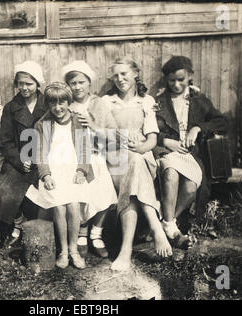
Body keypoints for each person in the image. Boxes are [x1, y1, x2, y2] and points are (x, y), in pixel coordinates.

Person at [98, 56, 173, 271]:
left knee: (137, 163)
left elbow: (151, 138)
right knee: (134, 169)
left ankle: (125, 251)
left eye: (124, 74)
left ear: (135, 73)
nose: (120, 79)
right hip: (115, 158)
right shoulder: (106, 102)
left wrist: (139, 149)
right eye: (116, 75)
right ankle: (157, 229)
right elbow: (100, 136)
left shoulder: (146, 101)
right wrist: (122, 141)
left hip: (141, 155)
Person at [153, 56, 228, 248]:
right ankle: (171, 228)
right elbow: (148, 130)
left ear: (190, 77)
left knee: (190, 188)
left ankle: (165, 223)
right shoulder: (159, 102)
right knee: (170, 174)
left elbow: (221, 121)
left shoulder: (198, 100)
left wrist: (198, 129)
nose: (176, 85)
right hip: (167, 151)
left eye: (181, 80)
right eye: (172, 81)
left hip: (192, 155)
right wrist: (165, 140)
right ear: (166, 80)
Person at [27, 82, 94, 269]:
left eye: (62, 102)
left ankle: (73, 249)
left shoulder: (78, 120)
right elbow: (39, 153)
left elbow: (84, 148)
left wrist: (81, 170)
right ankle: (63, 250)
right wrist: (45, 175)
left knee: (73, 205)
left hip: (73, 171)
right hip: (53, 172)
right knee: (59, 206)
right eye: (53, 103)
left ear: (68, 102)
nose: (58, 107)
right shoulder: (42, 124)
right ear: (47, 104)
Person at [62, 61, 118, 258]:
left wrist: (94, 126)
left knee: (104, 188)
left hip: (96, 154)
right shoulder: (65, 105)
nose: (77, 87)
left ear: (89, 83)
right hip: (71, 157)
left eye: (81, 82)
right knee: (79, 188)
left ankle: (96, 232)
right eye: (72, 83)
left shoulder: (98, 103)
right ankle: (82, 231)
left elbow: (113, 135)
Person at [0, 61, 48, 246]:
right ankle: (18, 223)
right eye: (20, 83)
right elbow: (6, 141)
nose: (24, 88)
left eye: (29, 83)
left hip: (44, 159)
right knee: (3, 192)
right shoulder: (11, 107)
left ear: (38, 83)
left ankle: (43, 230)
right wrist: (19, 160)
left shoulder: (48, 104)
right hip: (18, 159)